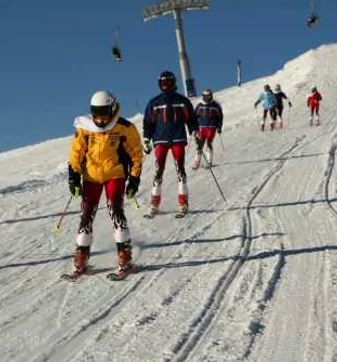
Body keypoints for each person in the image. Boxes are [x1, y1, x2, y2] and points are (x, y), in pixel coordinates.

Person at [68, 91, 143, 278]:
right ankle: (81, 255)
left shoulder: (124, 127)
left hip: (114, 174)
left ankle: (124, 254)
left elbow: (136, 154)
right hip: (91, 176)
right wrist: (74, 177)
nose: (100, 119)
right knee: (87, 213)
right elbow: (76, 153)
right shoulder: (85, 127)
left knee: (115, 209)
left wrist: (134, 179)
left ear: (112, 109)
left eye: (103, 113)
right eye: (96, 113)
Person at [143, 71, 198, 216]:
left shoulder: (182, 101)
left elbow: (191, 118)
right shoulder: (154, 102)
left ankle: (183, 202)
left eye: (169, 83)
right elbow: (148, 122)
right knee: (158, 171)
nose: (166, 85)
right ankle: (154, 203)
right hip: (160, 139)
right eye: (163, 83)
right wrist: (147, 139)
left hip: (177, 138)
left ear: (174, 83)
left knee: (180, 169)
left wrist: (194, 130)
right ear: (160, 85)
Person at [192, 88, 223, 169]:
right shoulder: (200, 105)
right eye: (206, 97)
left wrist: (219, 126)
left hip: (212, 127)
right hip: (202, 127)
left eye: (209, 96)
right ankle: (196, 162)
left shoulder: (215, 105)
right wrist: (194, 128)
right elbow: (194, 117)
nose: (208, 98)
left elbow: (220, 117)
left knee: (209, 142)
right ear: (203, 96)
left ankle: (209, 161)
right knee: (200, 144)